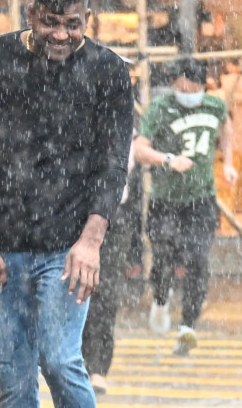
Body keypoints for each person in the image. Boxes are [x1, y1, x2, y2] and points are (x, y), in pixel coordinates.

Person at [0, 0, 134, 407]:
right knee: (14, 385)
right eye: (50, 21)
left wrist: (91, 243)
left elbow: (113, 165)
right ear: (31, 14)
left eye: (72, 24)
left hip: (68, 248)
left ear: (87, 19)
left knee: (59, 360)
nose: (60, 34)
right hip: (1, 247)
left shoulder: (107, 70)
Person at [133, 57, 238, 356]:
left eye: (195, 89)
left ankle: (188, 327)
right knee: (163, 254)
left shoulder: (214, 106)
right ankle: (161, 299)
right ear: (175, 83)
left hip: (201, 199)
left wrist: (228, 162)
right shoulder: (161, 109)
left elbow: (226, 127)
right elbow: (140, 149)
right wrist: (167, 159)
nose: (190, 94)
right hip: (165, 200)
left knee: (197, 258)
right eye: (184, 88)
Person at [82, 132, 137, 395]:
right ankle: (78, 360)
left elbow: (127, 176)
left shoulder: (121, 124)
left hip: (113, 219)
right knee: (75, 288)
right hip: (73, 216)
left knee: (105, 293)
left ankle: (98, 367)